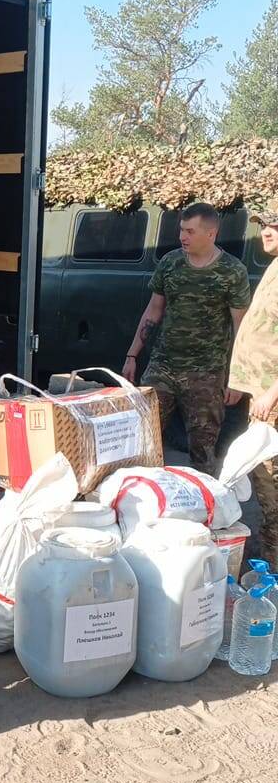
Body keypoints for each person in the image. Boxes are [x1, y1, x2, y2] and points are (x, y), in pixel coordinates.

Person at [122, 201, 250, 474]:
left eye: (190, 231)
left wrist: (237, 377)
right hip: (163, 367)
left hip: (206, 374)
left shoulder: (232, 271)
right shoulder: (171, 263)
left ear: (211, 233)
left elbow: (241, 326)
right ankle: (145, 494)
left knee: (203, 452)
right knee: (143, 440)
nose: (182, 237)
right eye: (181, 230)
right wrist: (132, 355)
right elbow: (153, 310)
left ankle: (203, 498)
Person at [228, 198, 278, 562]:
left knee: (271, 485)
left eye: (275, 226)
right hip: (261, 392)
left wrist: (271, 394)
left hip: (271, 398)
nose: (266, 232)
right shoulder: (274, 267)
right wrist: (239, 379)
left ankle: (273, 569)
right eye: (264, 225)